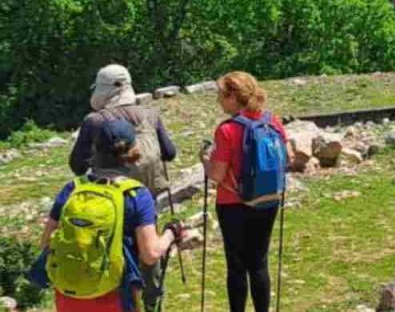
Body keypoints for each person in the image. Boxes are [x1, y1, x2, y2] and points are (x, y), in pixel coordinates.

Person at [39, 118, 183, 312]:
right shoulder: (136, 194)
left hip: (68, 295)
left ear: (95, 149)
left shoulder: (73, 188)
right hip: (114, 295)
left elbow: (46, 243)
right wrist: (171, 233)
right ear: (132, 152)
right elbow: (151, 254)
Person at [68, 64, 178, 312]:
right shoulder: (150, 114)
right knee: (148, 256)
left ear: (102, 90)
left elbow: (76, 166)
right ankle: (151, 301)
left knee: (110, 257)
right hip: (146, 200)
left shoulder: (94, 121)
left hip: (106, 206)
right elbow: (169, 153)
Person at [202, 72, 292, 312]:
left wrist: (204, 159)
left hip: (233, 203)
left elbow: (217, 175)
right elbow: (287, 159)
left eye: (221, 95)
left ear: (233, 97)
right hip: (268, 199)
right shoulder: (272, 121)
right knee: (259, 262)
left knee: (236, 265)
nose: (218, 101)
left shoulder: (227, 130)